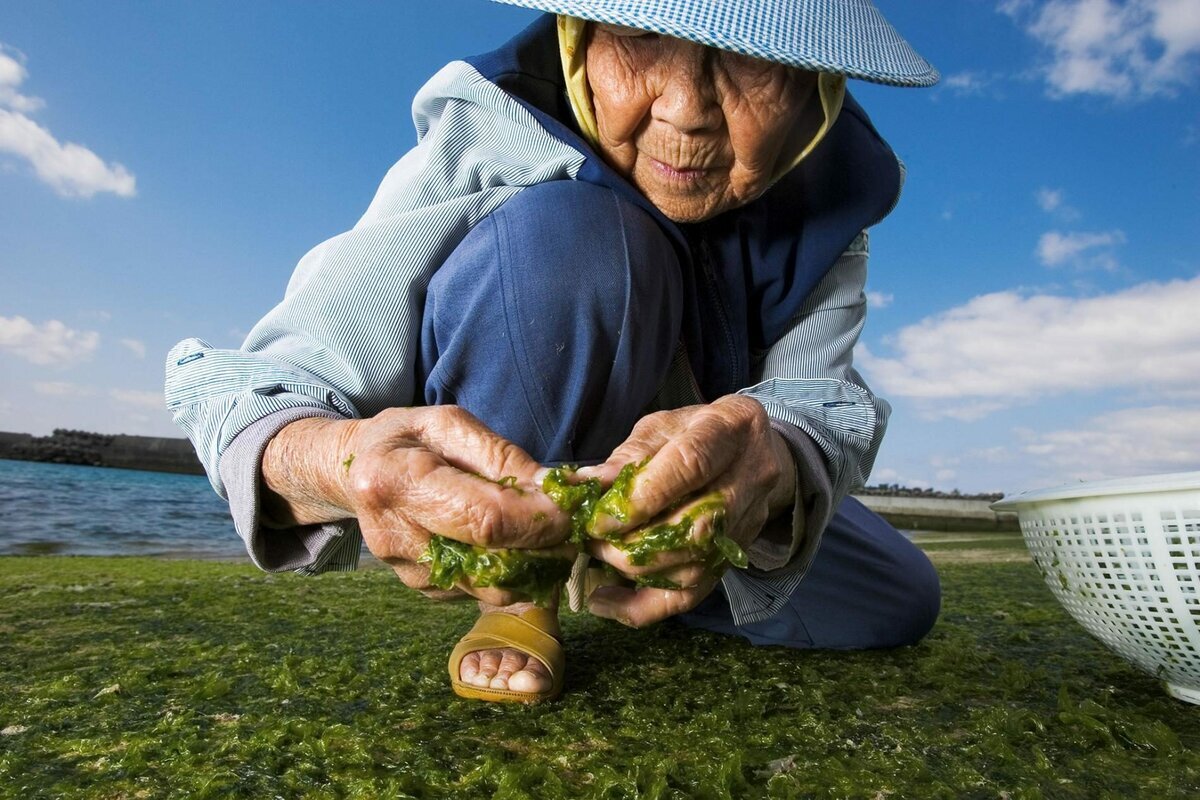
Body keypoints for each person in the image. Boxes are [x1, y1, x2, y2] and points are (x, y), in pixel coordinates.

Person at [165, 0, 943, 704]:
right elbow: (256, 389)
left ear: (818, 88)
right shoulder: (492, 127)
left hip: (685, 493)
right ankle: (521, 592)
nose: (686, 110)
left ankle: (640, 567)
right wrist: (339, 459)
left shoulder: (834, 190)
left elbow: (814, 395)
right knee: (577, 244)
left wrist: (771, 463)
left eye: (753, 61)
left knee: (898, 598)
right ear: (579, 37)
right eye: (640, 37)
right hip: (517, 458)